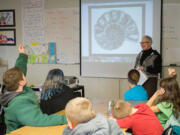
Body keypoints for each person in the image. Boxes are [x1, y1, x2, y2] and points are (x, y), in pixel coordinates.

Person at [0, 45, 67, 133]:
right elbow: (40, 120)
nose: (24, 74)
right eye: (23, 76)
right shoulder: (19, 103)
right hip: (22, 132)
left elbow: (19, 69)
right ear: (21, 82)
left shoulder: (13, 86)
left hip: (29, 127)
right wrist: (67, 118)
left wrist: (22, 55)